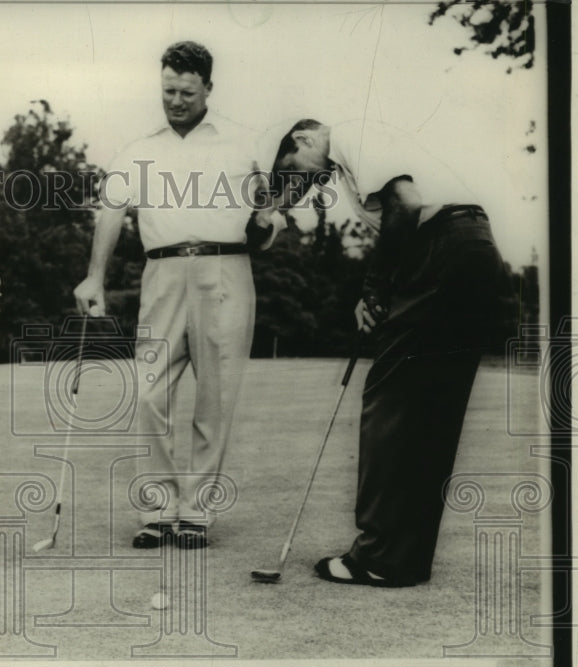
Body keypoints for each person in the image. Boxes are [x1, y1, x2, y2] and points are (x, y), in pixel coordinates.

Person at [271, 118, 510, 586]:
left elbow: (406, 206)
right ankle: (404, 559)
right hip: (475, 250)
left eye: (295, 173)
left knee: (389, 402)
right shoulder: (353, 158)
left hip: (443, 249)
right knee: (432, 414)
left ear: (302, 140)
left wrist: (376, 289)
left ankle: (378, 556)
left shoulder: (354, 135)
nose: (303, 186)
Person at [74, 41, 278, 550]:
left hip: (226, 271)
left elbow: (269, 222)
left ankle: (196, 513)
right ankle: (158, 509)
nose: (177, 100)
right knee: (148, 392)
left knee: (216, 397)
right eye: (168, 91)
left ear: (208, 88)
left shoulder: (244, 145)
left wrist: (266, 224)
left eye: (187, 91)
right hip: (162, 274)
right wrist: (93, 278)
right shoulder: (139, 149)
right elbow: (112, 214)